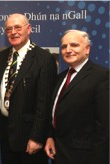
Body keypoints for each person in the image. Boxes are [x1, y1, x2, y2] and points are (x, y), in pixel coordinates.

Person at [0, 13, 57, 164]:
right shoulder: (2, 56)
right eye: (9, 29)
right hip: (6, 135)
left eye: (18, 27)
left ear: (29, 29)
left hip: (30, 139)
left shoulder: (44, 59)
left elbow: (44, 104)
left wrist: (37, 138)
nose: (13, 32)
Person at [44, 29, 109, 164]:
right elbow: (56, 111)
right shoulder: (60, 78)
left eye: (74, 45)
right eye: (64, 46)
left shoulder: (102, 76)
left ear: (87, 49)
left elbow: (104, 127)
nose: (68, 50)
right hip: (59, 153)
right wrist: (50, 136)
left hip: (84, 157)